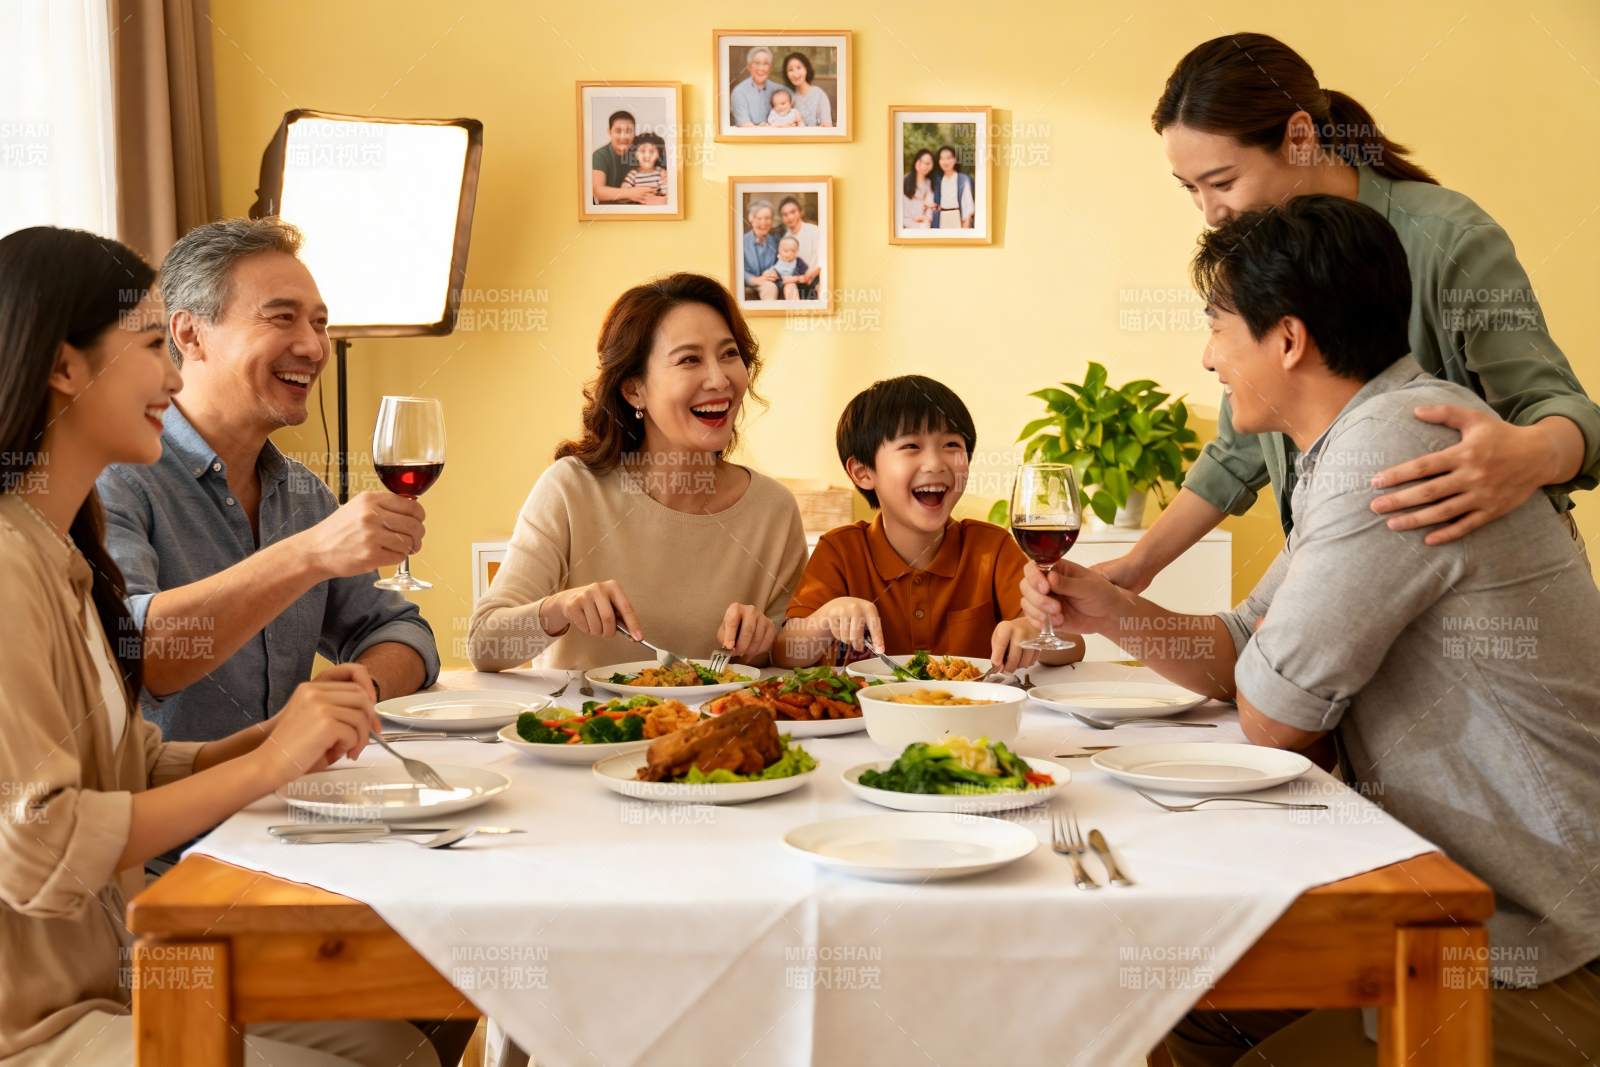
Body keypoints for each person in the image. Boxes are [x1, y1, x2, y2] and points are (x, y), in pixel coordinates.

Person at [1018, 196, 1600, 1066]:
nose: (1208, 356)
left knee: (1180, 1012)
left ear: (1287, 339)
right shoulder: (1361, 438)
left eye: (1218, 327)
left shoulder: (1389, 449)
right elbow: (1240, 649)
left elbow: (1273, 717)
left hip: (1545, 945)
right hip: (1458, 902)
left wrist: (1252, 665)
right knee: (1174, 1005)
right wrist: (1107, 607)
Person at [0, 226, 441, 1066]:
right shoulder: (13, 564)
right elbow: (41, 847)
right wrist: (265, 768)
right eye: (148, 345)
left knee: (408, 1041)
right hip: (45, 1019)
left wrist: (275, 736)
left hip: (119, 966)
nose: (169, 373)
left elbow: (130, 757)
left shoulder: (62, 548)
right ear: (64, 368)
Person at [1102, 31, 1600, 594]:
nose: (1211, 213)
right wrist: (1137, 567)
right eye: (1190, 188)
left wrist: (1523, 453)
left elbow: (1563, 410)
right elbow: (1238, 450)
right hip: (1363, 579)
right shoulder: (1262, 252)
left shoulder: (1448, 240)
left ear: (1298, 137)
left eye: (1223, 183)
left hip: (1489, 583)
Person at [97, 218, 440, 744]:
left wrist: (361, 688)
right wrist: (309, 555)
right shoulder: (114, 477)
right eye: (282, 318)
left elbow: (404, 632)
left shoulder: (304, 496)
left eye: (320, 324)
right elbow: (136, 655)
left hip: (291, 806)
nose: (313, 347)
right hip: (167, 817)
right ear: (189, 333)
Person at [468, 273, 807, 672]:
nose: (719, 380)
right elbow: (485, 646)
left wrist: (761, 644)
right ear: (634, 390)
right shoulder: (572, 490)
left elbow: (789, 656)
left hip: (717, 732)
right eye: (689, 359)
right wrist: (556, 609)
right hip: (585, 730)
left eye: (729, 354)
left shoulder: (773, 510)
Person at [777, 375, 1082, 671]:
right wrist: (825, 620)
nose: (936, 464)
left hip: (972, 716)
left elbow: (1073, 645)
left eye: (951, 445)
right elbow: (785, 651)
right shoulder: (841, 550)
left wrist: (1031, 632)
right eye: (911, 446)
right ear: (862, 472)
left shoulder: (991, 548)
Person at [590, 110, 654, 205]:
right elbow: (598, 191)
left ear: (634, 132)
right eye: (618, 131)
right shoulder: (600, 155)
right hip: (611, 214)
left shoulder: (642, 151)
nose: (623, 136)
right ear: (609, 131)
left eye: (628, 131)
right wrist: (630, 193)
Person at [777, 195, 824, 297]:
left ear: (800, 212)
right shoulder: (785, 239)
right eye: (785, 215)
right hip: (796, 280)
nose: (789, 217)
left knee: (823, 287)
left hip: (816, 276)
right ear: (782, 218)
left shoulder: (814, 230)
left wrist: (813, 273)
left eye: (793, 212)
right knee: (789, 287)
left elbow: (824, 257)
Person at [740, 200, 782, 301]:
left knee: (770, 287)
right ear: (751, 219)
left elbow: (780, 263)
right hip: (748, 281)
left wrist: (774, 272)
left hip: (768, 284)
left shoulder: (775, 241)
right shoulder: (741, 241)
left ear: (772, 221)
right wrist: (754, 280)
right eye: (759, 218)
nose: (763, 223)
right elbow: (736, 268)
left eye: (767, 218)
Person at [781, 51, 833, 127]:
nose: (795, 74)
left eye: (799, 68)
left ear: (806, 69)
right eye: (790, 70)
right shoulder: (789, 98)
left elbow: (827, 126)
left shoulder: (819, 94)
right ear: (787, 74)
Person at [730, 46, 778, 126]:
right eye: (757, 63)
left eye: (765, 63)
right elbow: (745, 125)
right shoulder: (739, 92)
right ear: (749, 66)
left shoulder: (779, 89)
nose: (761, 68)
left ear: (770, 68)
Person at [931, 145, 975, 229]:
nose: (945, 162)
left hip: (957, 218)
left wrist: (966, 225)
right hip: (940, 219)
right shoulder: (937, 180)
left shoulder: (963, 179)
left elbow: (968, 205)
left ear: (955, 159)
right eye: (942, 158)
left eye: (948, 158)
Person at [622, 131, 669, 202]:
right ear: (635, 154)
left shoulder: (661, 173)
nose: (647, 155)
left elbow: (668, 194)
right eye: (642, 151)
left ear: (658, 155)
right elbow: (623, 194)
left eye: (652, 151)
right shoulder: (633, 174)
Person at [899, 149, 936, 230]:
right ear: (917, 163)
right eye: (926, 163)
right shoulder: (904, 181)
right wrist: (915, 219)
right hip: (905, 226)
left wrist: (926, 219)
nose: (928, 166)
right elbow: (900, 212)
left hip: (923, 226)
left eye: (930, 164)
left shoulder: (929, 183)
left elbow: (929, 210)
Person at [771, 235, 807, 301]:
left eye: (793, 251)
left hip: (795, 290)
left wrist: (796, 278)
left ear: (797, 251)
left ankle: (795, 309)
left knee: (790, 285)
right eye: (786, 251)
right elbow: (769, 272)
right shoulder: (774, 261)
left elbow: (806, 276)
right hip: (779, 289)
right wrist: (771, 274)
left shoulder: (799, 262)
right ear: (779, 250)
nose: (789, 254)